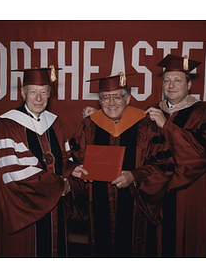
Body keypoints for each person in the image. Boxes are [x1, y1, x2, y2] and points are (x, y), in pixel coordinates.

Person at [68, 73, 174, 257]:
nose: (111, 103)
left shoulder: (146, 125)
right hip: (98, 206)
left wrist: (134, 176)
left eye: (117, 96)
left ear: (128, 98)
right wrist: (78, 173)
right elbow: (75, 159)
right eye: (105, 97)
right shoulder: (88, 126)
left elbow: (164, 164)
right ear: (99, 101)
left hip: (135, 209)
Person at [0, 66, 84, 257]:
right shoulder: (7, 124)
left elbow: (63, 159)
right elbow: (14, 172)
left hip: (54, 208)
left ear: (50, 94)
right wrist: (60, 185)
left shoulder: (55, 122)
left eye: (44, 92)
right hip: (26, 208)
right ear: (23, 93)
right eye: (32, 92)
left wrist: (72, 170)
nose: (38, 98)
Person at [145, 54, 206, 257]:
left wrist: (166, 126)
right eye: (167, 80)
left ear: (189, 85)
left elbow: (201, 156)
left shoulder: (203, 112)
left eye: (177, 80)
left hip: (187, 188)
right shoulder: (152, 111)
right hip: (155, 189)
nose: (171, 86)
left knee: (182, 244)